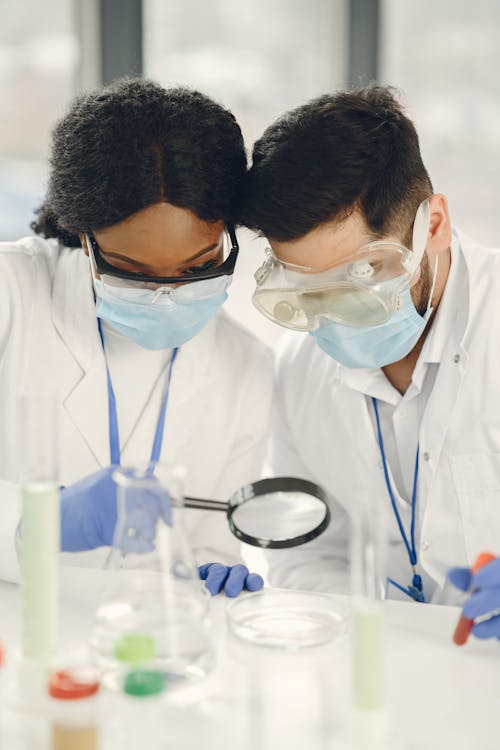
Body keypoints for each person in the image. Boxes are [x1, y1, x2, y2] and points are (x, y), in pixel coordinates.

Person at [240, 85, 500, 636]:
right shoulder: (298, 367)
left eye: (359, 278)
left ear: (433, 225)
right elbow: (307, 552)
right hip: (387, 668)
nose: (332, 314)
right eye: (308, 289)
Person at [0, 78, 271, 597]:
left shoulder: (247, 367)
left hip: (146, 651)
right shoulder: (11, 297)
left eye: (198, 266)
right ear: (85, 237)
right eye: (131, 270)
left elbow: (209, 548)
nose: (165, 294)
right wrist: (41, 518)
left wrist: (211, 573)